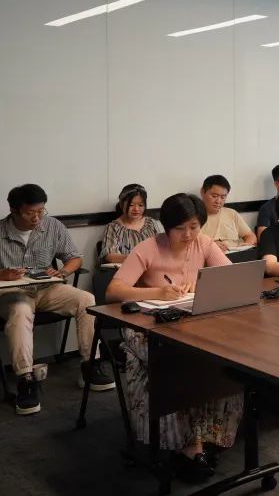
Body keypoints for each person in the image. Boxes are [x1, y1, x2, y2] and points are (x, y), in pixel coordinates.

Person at [105, 194, 241, 484]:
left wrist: (203, 284)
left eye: (194, 226)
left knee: (228, 357)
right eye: (181, 228)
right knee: (178, 362)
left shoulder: (203, 243)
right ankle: (187, 444)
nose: (189, 234)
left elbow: (232, 276)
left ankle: (206, 436)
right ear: (167, 227)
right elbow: (114, 290)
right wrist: (157, 292)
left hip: (190, 323)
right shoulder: (149, 247)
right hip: (149, 327)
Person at [0, 184, 114, 415]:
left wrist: (63, 272)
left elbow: (75, 258)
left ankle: (90, 365)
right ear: (13, 210)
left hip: (46, 289)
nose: (37, 218)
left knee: (86, 299)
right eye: (30, 213)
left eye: (41, 211)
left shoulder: (52, 225)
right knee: (21, 309)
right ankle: (26, 379)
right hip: (8, 294)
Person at [101, 184, 162, 264]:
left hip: (153, 268)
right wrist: (137, 259)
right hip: (127, 269)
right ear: (122, 204)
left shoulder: (151, 223)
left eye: (140, 205)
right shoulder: (113, 227)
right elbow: (109, 256)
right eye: (131, 205)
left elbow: (162, 248)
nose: (136, 209)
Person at [198, 174, 257, 251]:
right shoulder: (194, 217)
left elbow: (250, 236)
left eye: (223, 197)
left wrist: (247, 244)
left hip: (235, 255)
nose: (218, 201)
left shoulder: (231, 214)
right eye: (214, 196)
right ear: (202, 192)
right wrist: (209, 245)